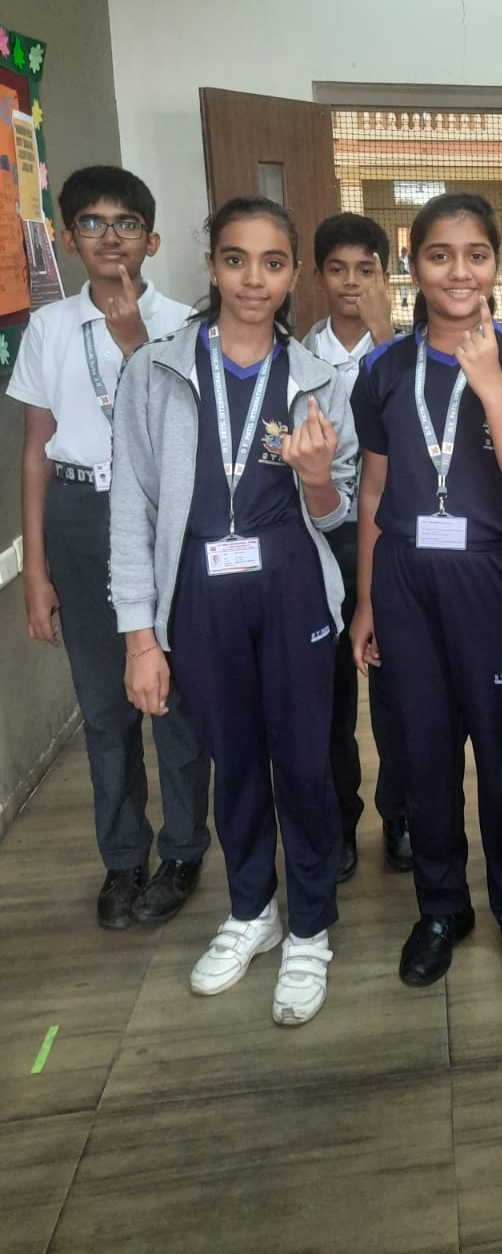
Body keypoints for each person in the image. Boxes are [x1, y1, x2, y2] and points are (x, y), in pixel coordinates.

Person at [111, 197, 358, 1027]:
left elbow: (336, 513)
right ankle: (252, 910)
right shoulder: (155, 372)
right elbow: (132, 512)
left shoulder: (320, 379)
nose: (254, 280)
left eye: (273, 263)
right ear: (212, 265)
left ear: (294, 275)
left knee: (306, 765)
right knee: (236, 761)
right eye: (235, 259)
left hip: (293, 593)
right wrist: (140, 637)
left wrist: (316, 478)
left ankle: (311, 927)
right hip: (201, 597)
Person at [350, 192, 502, 996]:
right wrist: (367, 601)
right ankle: (441, 906)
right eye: (439, 255)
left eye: (476, 255)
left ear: (495, 269)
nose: (458, 271)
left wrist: (491, 386)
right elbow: (374, 492)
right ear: (412, 266)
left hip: (497, 576)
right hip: (407, 580)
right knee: (424, 753)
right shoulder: (383, 369)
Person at [8, 165, 209, 930]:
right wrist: (36, 568)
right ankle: (123, 857)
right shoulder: (50, 327)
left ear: (150, 240)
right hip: (78, 514)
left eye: (126, 224)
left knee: (175, 700)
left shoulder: (186, 324)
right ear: (68, 239)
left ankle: (184, 849)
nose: (109, 237)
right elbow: (36, 447)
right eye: (91, 223)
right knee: (103, 705)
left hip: (163, 515)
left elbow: (186, 433)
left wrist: (134, 341)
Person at [303, 212, 411, 883]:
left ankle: (400, 813)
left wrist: (383, 338)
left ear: (385, 275)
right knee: (329, 692)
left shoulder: (406, 352)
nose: (350, 282)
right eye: (337, 269)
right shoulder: (297, 357)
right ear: (317, 276)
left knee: (397, 689)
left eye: (365, 269)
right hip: (318, 535)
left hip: (390, 533)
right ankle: (339, 819)